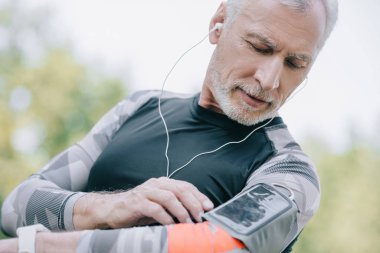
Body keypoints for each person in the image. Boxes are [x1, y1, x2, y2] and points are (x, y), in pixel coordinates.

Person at [0, 0, 339, 252]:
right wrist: (112, 207)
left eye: (295, 63)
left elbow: (216, 246)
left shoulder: (290, 172)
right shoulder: (139, 107)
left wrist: (35, 247)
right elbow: (17, 207)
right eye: (259, 46)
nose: (269, 80)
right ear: (219, 23)